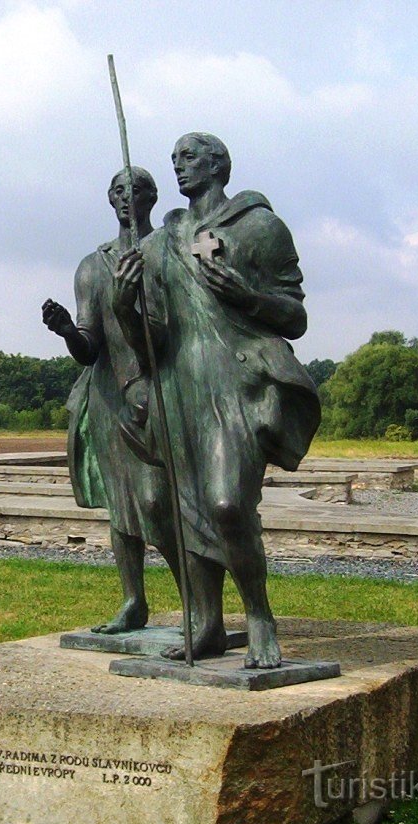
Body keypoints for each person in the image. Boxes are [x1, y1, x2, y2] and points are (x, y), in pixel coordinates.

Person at [113, 132, 320, 668]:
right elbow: (149, 343)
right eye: (173, 160)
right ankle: (205, 623)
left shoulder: (258, 226)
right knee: (183, 512)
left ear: (219, 164)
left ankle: (258, 615)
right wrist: (124, 304)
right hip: (178, 385)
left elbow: (295, 317)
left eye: (188, 157)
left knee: (228, 505)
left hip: (239, 381)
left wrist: (246, 296)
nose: (178, 167)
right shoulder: (158, 244)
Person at [41, 167, 175, 635]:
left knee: (160, 503)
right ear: (109, 200)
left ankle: (199, 604)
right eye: (118, 191)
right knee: (120, 506)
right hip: (107, 396)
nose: (126, 198)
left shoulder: (165, 254)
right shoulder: (92, 267)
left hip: (158, 390)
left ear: (152, 198)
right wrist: (65, 333)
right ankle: (133, 599)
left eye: (136, 190)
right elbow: (89, 344)